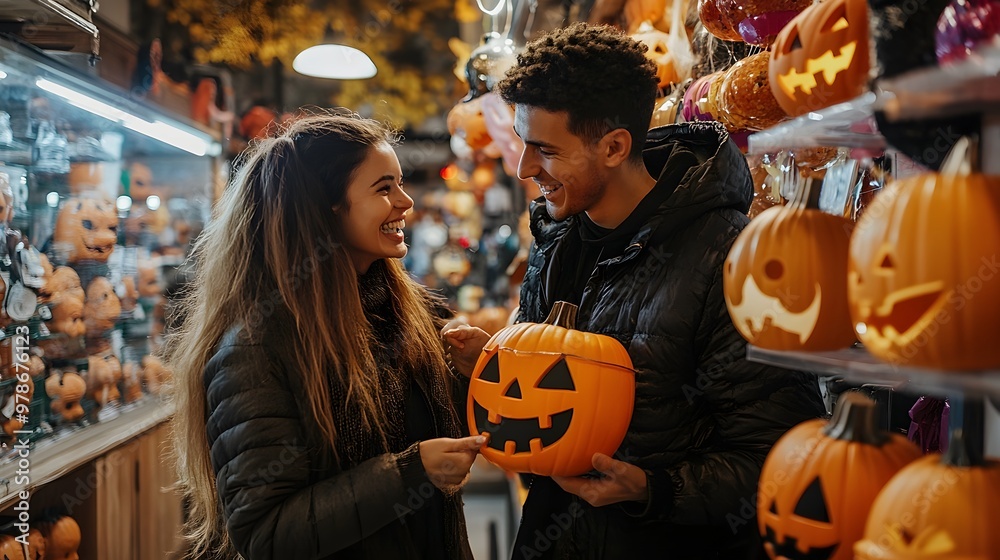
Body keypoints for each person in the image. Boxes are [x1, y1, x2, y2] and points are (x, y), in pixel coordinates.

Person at [444, 23, 828, 559]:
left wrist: (654, 491)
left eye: (545, 150)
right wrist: (493, 364)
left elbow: (783, 452)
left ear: (614, 146)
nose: (527, 168)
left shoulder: (730, 256)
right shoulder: (557, 237)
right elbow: (551, 397)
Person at [168, 112, 484, 560]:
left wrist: (474, 371)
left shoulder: (408, 315)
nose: (406, 201)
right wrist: (408, 473)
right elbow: (266, 534)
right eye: (384, 188)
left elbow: (447, 429)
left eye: (400, 183)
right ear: (326, 209)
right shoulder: (255, 351)